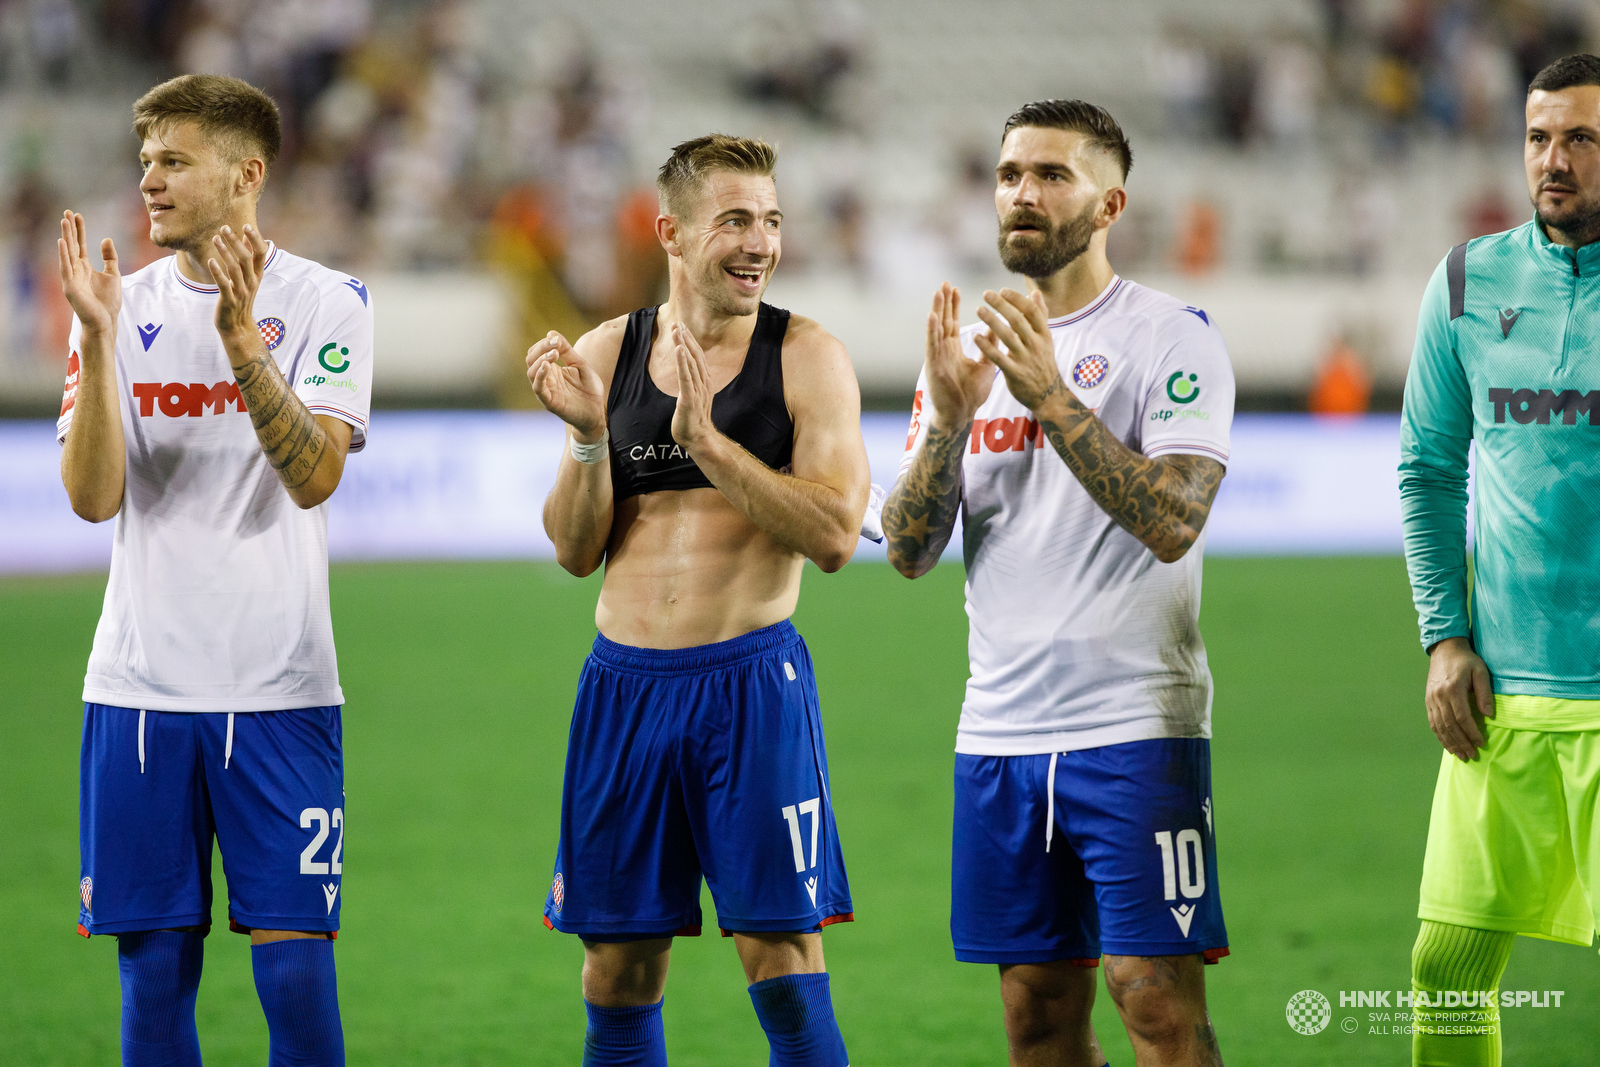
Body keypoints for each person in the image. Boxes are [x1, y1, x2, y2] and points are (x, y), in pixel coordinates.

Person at [883, 99, 1234, 1067]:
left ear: (1108, 201)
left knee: (1154, 1001)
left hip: (1133, 724)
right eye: (1007, 175)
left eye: (1050, 174)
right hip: (996, 732)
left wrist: (1047, 392)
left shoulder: (1173, 337)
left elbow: (1171, 518)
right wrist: (951, 419)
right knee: (1035, 1013)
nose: (1022, 193)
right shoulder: (961, 357)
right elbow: (908, 551)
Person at [527, 134, 870, 1067]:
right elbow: (570, 548)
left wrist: (712, 446)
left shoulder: (806, 357)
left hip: (748, 686)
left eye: (770, 221)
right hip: (623, 688)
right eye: (734, 221)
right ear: (672, 233)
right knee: (616, 970)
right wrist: (593, 439)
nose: (759, 242)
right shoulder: (611, 350)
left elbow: (838, 535)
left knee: (784, 962)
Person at [58, 74, 373, 1067]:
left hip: (278, 688)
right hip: (139, 689)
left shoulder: (328, 301)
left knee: (293, 974)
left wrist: (243, 344)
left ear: (245, 175)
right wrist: (103, 335)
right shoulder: (118, 303)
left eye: (173, 160)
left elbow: (316, 473)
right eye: (145, 160)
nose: (148, 180)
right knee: (152, 975)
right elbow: (93, 496)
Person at [1399, 52, 1600, 1067]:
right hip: (1505, 696)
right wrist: (1443, 634)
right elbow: (1427, 470)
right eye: (1536, 138)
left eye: (1578, 139)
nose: (1551, 160)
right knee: (1444, 964)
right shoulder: (1469, 280)